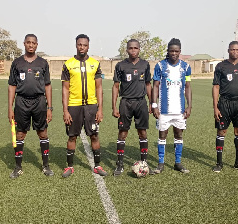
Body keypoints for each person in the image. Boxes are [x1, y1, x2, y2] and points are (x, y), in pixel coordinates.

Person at [8, 34, 54, 179]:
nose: (31, 45)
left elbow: (47, 86)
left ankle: (46, 166)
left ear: (37, 45)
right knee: (20, 134)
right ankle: (18, 167)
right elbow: (12, 86)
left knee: (43, 133)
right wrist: (10, 107)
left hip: (39, 102)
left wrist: (49, 107)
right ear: (24, 44)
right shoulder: (17, 63)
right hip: (21, 102)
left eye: (33, 43)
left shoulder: (43, 63)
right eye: (28, 42)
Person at [61, 34, 107, 178]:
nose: (82, 47)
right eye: (80, 44)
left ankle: (97, 165)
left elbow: (99, 87)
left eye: (85, 45)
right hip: (73, 106)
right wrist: (65, 110)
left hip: (91, 106)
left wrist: (100, 109)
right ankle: (69, 166)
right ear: (76, 45)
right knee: (72, 137)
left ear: (88, 46)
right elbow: (65, 89)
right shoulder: (68, 64)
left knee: (94, 136)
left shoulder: (95, 63)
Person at [112, 39, 153, 176]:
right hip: (126, 103)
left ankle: (144, 163)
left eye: (136, 48)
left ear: (139, 49)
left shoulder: (145, 65)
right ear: (127, 50)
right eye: (131, 48)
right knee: (123, 132)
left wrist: (152, 103)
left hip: (141, 102)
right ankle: (120, 164)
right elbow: (116, 86)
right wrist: (114, 106)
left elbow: (148, 85)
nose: (133, 50)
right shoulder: (120, 65)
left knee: (142, 132)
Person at [152, 38, 192, 174]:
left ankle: (178, 162)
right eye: (171, 51)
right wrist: (154, 105)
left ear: (180, 52)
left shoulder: (185, 67)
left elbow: (188, 86)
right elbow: (155, 86)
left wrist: (189, 106)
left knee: (179, 134)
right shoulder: (160, 66)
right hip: (164, 110)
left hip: (179, 109)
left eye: (176, 51)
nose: (174, 53)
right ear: (168, 52)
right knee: (162, 135)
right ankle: (161, 163)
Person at [212, 41, 238, 173]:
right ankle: (219, 163)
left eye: (237, 49)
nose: (235, 52)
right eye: (232, 49)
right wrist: (215, 107)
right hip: (224, 103)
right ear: (228, 50)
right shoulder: (221, 66)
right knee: (221, 132)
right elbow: (216, 86)